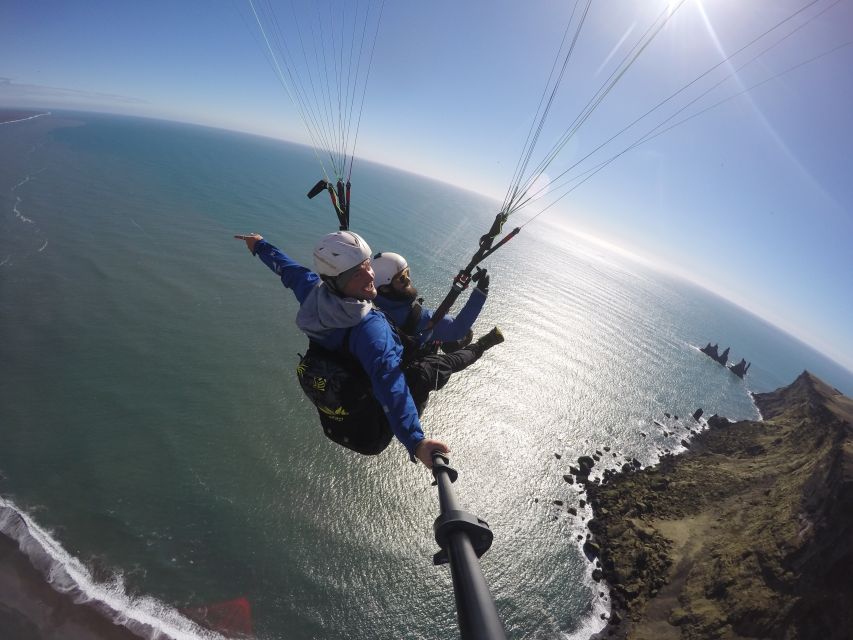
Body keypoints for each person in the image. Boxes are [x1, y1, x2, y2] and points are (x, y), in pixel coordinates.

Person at [234, 231, 503, 468]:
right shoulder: (370, 330)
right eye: (357, 272)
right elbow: (391, 387)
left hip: (338, 418)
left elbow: (286, 269)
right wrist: (416, 442)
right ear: (336, 280)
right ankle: (480, 347)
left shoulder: (313, 290)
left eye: (366, 265)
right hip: (372, 431)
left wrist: (259, 245)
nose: (369, 275)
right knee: (434, 367)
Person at [371, 251, 493, 352]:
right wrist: (481, 292)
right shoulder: (416, 317)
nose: (408, 280)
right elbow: (458, 329)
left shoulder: (372, 305)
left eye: (407, 273)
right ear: (385, 288)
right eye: (402, 278)